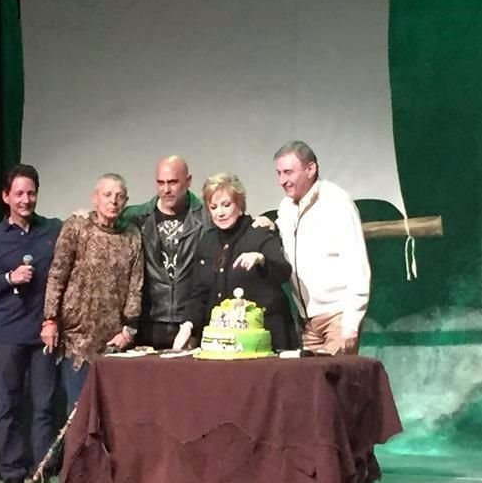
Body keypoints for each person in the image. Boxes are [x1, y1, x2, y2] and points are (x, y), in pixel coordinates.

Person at [0, 165, 62, 483]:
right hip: (8, 334)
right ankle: (12, 472)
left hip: (43, 336)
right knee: (8, 404)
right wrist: (9, 279)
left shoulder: (52, 230)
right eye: (19, 194)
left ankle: (41, 472)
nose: (26, 200)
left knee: (44, 405)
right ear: (6, 196)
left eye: (31, 193)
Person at [41, 174, 144, 412]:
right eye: (107, 195)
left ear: (126, 200)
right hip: (76, 338)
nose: (113, 201)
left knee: (110, 411)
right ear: (94, 198)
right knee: (77, 410)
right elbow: (57, 275)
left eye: (119, 196)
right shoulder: (76, 227)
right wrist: (50, 319)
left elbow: (135, 284)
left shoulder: (132, 235)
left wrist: (129, 330)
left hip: (112, 340)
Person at [173, 173, 296, 351]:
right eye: (213, 207)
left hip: (264, 341)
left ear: (239, 203)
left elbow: (283, 271)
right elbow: (199, 292)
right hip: (221, 342)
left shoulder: (258, 232)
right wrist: (188, 324)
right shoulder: (207, 241)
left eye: (226, 205)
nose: (220, 213)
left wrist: (261, 259)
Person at [273, 141, 371, 354]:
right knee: (311, 385)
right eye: (279, 173)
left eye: (288, 172)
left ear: (311, 169)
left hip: (337, 318)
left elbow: (357, 264)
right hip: (306, 321)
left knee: (336, 383)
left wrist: (351, 323)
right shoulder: (286, 207)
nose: (283, 180)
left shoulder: (336, 202)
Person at [121, 156, 210, 349]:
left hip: (191, 321)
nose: (166, 189)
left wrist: (264, 223)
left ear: (188, 181)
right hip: (150, 321)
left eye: (173, 182)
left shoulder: (207, 216)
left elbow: (236, 229)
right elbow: (104, 224)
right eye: (161, 183)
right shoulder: (135, 217)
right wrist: (86, 217)